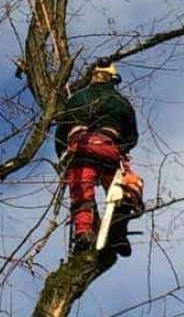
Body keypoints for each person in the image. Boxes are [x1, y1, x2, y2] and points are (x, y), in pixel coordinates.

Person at [55, 58, 144, 255]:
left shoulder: (75, 100)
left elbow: (61, 134)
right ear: (113, 79)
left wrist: (62, 157)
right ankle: (118, 232)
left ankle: (83, 234)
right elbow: (132, 136)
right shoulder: (121, 102)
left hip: (80, 150)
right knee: (126, 189)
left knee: (82, 194)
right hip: (109, 149)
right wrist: (121, 148)